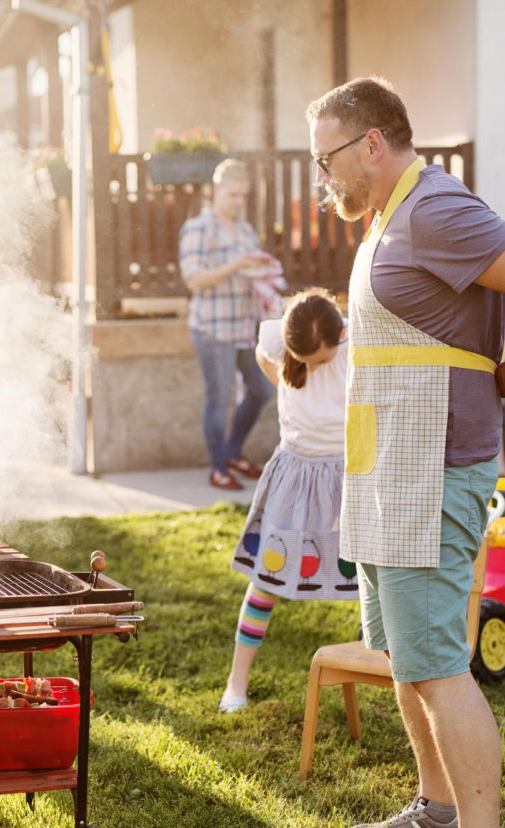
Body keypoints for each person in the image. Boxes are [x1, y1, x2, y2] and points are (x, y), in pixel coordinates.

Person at [307, 77, 505, 828]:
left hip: (435, 465)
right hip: (390, 467)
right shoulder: (388, 219)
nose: (323, 180)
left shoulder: (436, 209)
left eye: (327, 161)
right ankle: (437, 809)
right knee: (406, 657)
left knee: (439, 664)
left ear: (371, 144)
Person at [220, 287, 353, 713]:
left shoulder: (356, 340)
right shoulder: (280, 340)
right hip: (294, 474)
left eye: (322, 360)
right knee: (267, 578)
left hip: (344, 473)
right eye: (307, 361)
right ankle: (236, 684)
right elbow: (265, 355)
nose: (314, 367)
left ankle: (384, 665)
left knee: (372, 577)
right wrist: (282, 381)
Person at [179, 158, 277, 491]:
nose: (239, 202)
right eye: (233, 195)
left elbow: (247, 273)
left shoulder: (246, 230)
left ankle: (234, 452)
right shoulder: (199, 228)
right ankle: (218, 468)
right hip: (211, 328)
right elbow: (193, 280)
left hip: (243, 328)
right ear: (216, 190)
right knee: (219, 399)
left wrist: (262, 272)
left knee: (262, 390)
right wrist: (236, 264)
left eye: (243, 196)